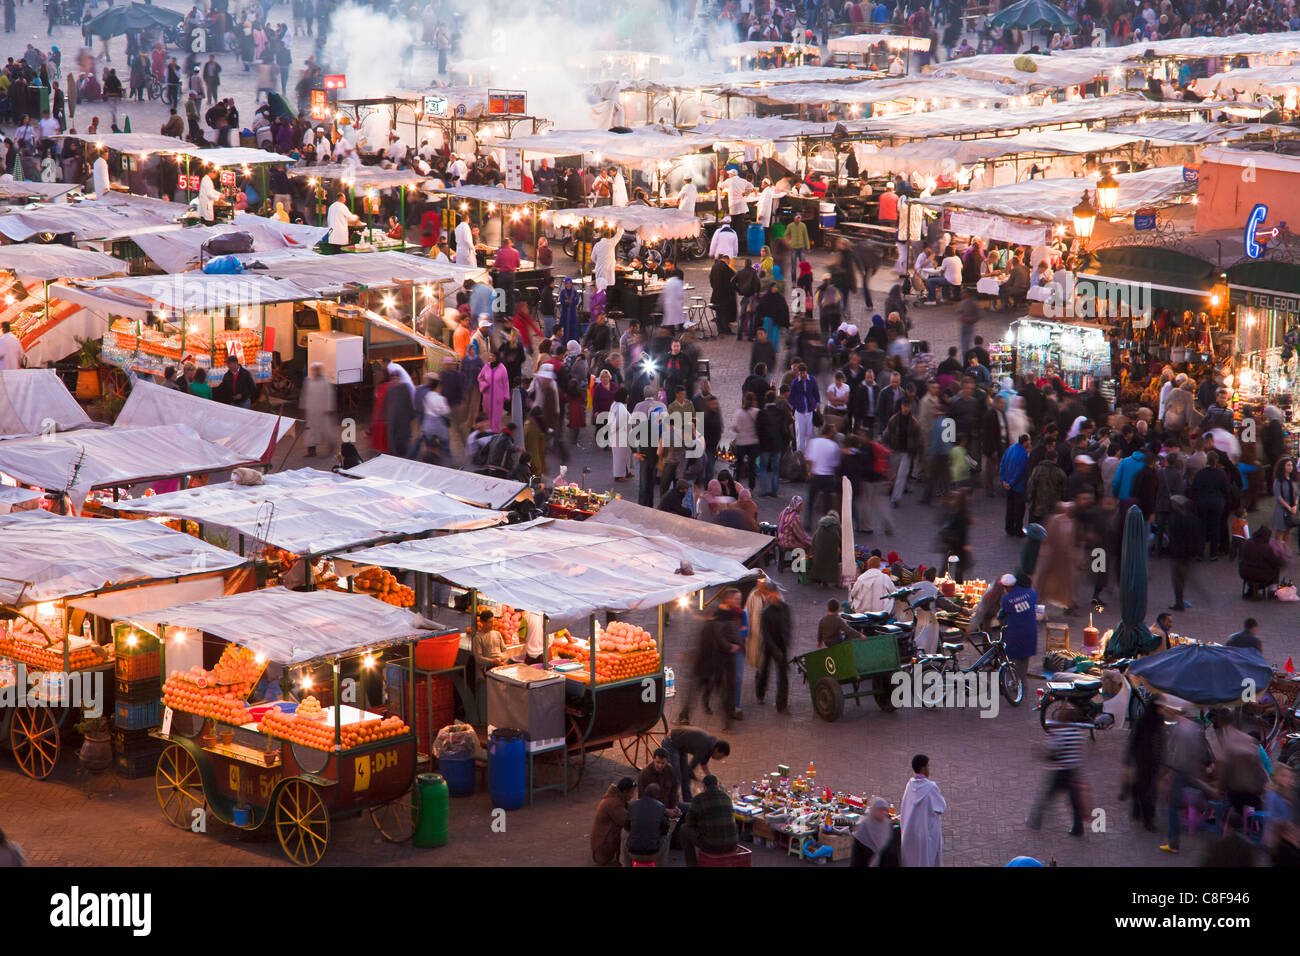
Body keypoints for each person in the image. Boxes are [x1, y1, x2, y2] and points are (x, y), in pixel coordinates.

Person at [1027, 703, 1088, 837]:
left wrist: (1040, 753)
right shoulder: (1078, 733)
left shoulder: (1058, 732)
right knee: (1075, 802)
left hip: (1060, 772)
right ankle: (1078, 828)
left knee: (1047, 796)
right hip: (1073, 772)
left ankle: (1035, 820)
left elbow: (1053, 750)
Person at [680, 774, 738, 866]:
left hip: (712, 845)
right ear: (717, 785)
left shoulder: (698, 799)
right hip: (733, 844)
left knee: (684, 829)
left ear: (704, 786)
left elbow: (689, 822)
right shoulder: (726, 797)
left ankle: (692, 864)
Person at [899, 754, 946, 866]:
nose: (929, 769)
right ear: (923, 768)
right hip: (926, 835)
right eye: (928, 766)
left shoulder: (909, 786)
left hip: (911, 833)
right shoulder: (931, 787)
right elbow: (941, 807)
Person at [664, 726, 729, 803]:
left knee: (685, 774)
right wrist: (699, 781)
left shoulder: (712, 744)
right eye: (720, 757)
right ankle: (670, 802)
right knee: (676, 776)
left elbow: (703, 764)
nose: (719, 759)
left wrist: (713, 781)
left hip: (681, 745)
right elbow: (690, 769)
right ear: (718, 751)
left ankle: (688, 800)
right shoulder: (704, 747)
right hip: (671, 742)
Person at [754, 585, 791, 712]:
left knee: (783, 676)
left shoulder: (785, 608)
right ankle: (760, 693)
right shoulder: (766, 613)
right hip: (769, 646)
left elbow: (788, 626)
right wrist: (775, 649)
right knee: (764, 670)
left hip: (781, 646)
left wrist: (786, 643)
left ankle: (782, 705)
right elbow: (766, 634)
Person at [999, 572, 1038, 681]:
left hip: (1015, 634)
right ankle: (1021, 679)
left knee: (1012, 659)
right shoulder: (1031, 593)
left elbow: (1003, 614)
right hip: (1030, 631)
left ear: (1007, 587)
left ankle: (1014, 682)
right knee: (1024, 659)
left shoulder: (1006, 599)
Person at [624, 782, 673, 867]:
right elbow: (665, 829)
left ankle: (625, 864)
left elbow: (626, 826)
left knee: (623, 832)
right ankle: (661, 865)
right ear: (657, 796)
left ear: (644, 792)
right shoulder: (661, 807)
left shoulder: (632, 805)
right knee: (668, 835)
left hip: (632, 852)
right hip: (652, 853)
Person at [590, 777, 634, 865]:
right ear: (625, 792)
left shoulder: (615, 799)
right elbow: (627, 822)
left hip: (600, 846)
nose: (633, 795)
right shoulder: (614, 803)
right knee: (630, 832)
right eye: (632, 792)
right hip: (603, 850)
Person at [301, 362, 337, 459]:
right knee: (311, 432)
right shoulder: (309, 381)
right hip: (312, 412)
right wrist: (304, 407)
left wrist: (329, 408)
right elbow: (305, 395)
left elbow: (329, 395)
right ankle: (311, 451)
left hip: (323, 411)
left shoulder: (325, 380)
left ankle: (332, 445)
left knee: (326, 430)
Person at [851, 796, 900, 868]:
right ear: (874, 810)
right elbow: (857, 858)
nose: (883, 813)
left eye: (885, 810)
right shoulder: (864, 827)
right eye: (881, 810)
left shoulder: (887, 826)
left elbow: (892, 854)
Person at [1000, 433, 1030, 537]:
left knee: (1010, 507)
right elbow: (1019, 472)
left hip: (1008, 485)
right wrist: (1011, 483)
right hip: (1018, 486)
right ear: (1025, 441)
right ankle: (1018, 530)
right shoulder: (1023, 454)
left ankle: (1009, 528)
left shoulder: (1010, 449)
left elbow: (1002, 464)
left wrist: (1004, 480)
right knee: (1019, 509)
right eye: (1029, 441)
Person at [471, 608, 508, 675]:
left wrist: (500, 658)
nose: (493, 624)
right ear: (483, 622)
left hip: (500, 663)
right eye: (490, 622)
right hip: (488, 667)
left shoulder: (497, 634)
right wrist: (493, 661)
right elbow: (478, 658)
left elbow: (505, 651)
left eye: (493, 621)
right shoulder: (478, 637)